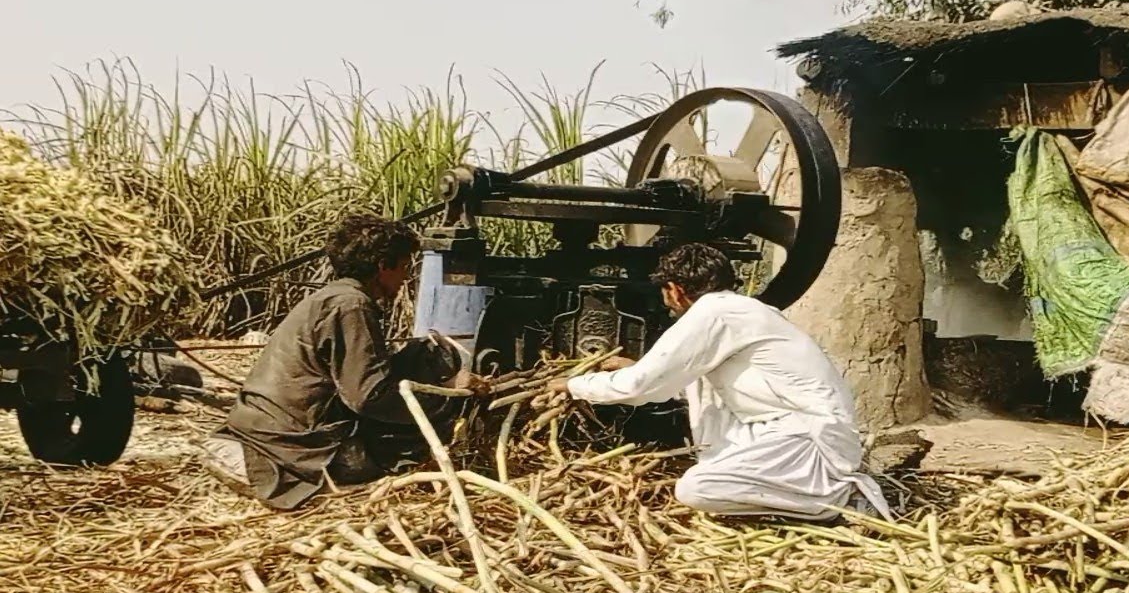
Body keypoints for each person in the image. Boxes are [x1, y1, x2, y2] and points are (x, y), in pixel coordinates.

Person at [549, 243, 891, 522]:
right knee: (709, 422)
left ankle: (841, 498)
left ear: (675, 290)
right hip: (789, 428)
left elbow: (639, 387)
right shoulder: (741, 309)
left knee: (696, 489)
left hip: (811, 439)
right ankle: (806, 494)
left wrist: (573, 385)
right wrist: (638, 367)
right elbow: (677, 379)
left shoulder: (712, 313)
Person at [203, 214, 485, 510]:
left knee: (425, 355)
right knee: (392, 449)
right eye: (403, 267)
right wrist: (447, 392)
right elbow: (368, 397)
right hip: (283, 441)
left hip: (260, 422)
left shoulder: (334, 296)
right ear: (382, 266)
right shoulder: (351, 305)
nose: (405, 278)